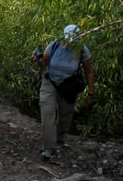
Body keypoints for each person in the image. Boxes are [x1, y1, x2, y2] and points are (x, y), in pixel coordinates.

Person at [31, 24, 95, 159]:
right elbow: (44, 64)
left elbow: (89, 72)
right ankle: (49, 148)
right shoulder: (54, 45)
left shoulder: (82, 50)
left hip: (68, 87)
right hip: (50, 83)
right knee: (47, 113)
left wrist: (90, 94)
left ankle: (59, 140)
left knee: (65, 116)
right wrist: (37, 61)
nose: (69, 42)